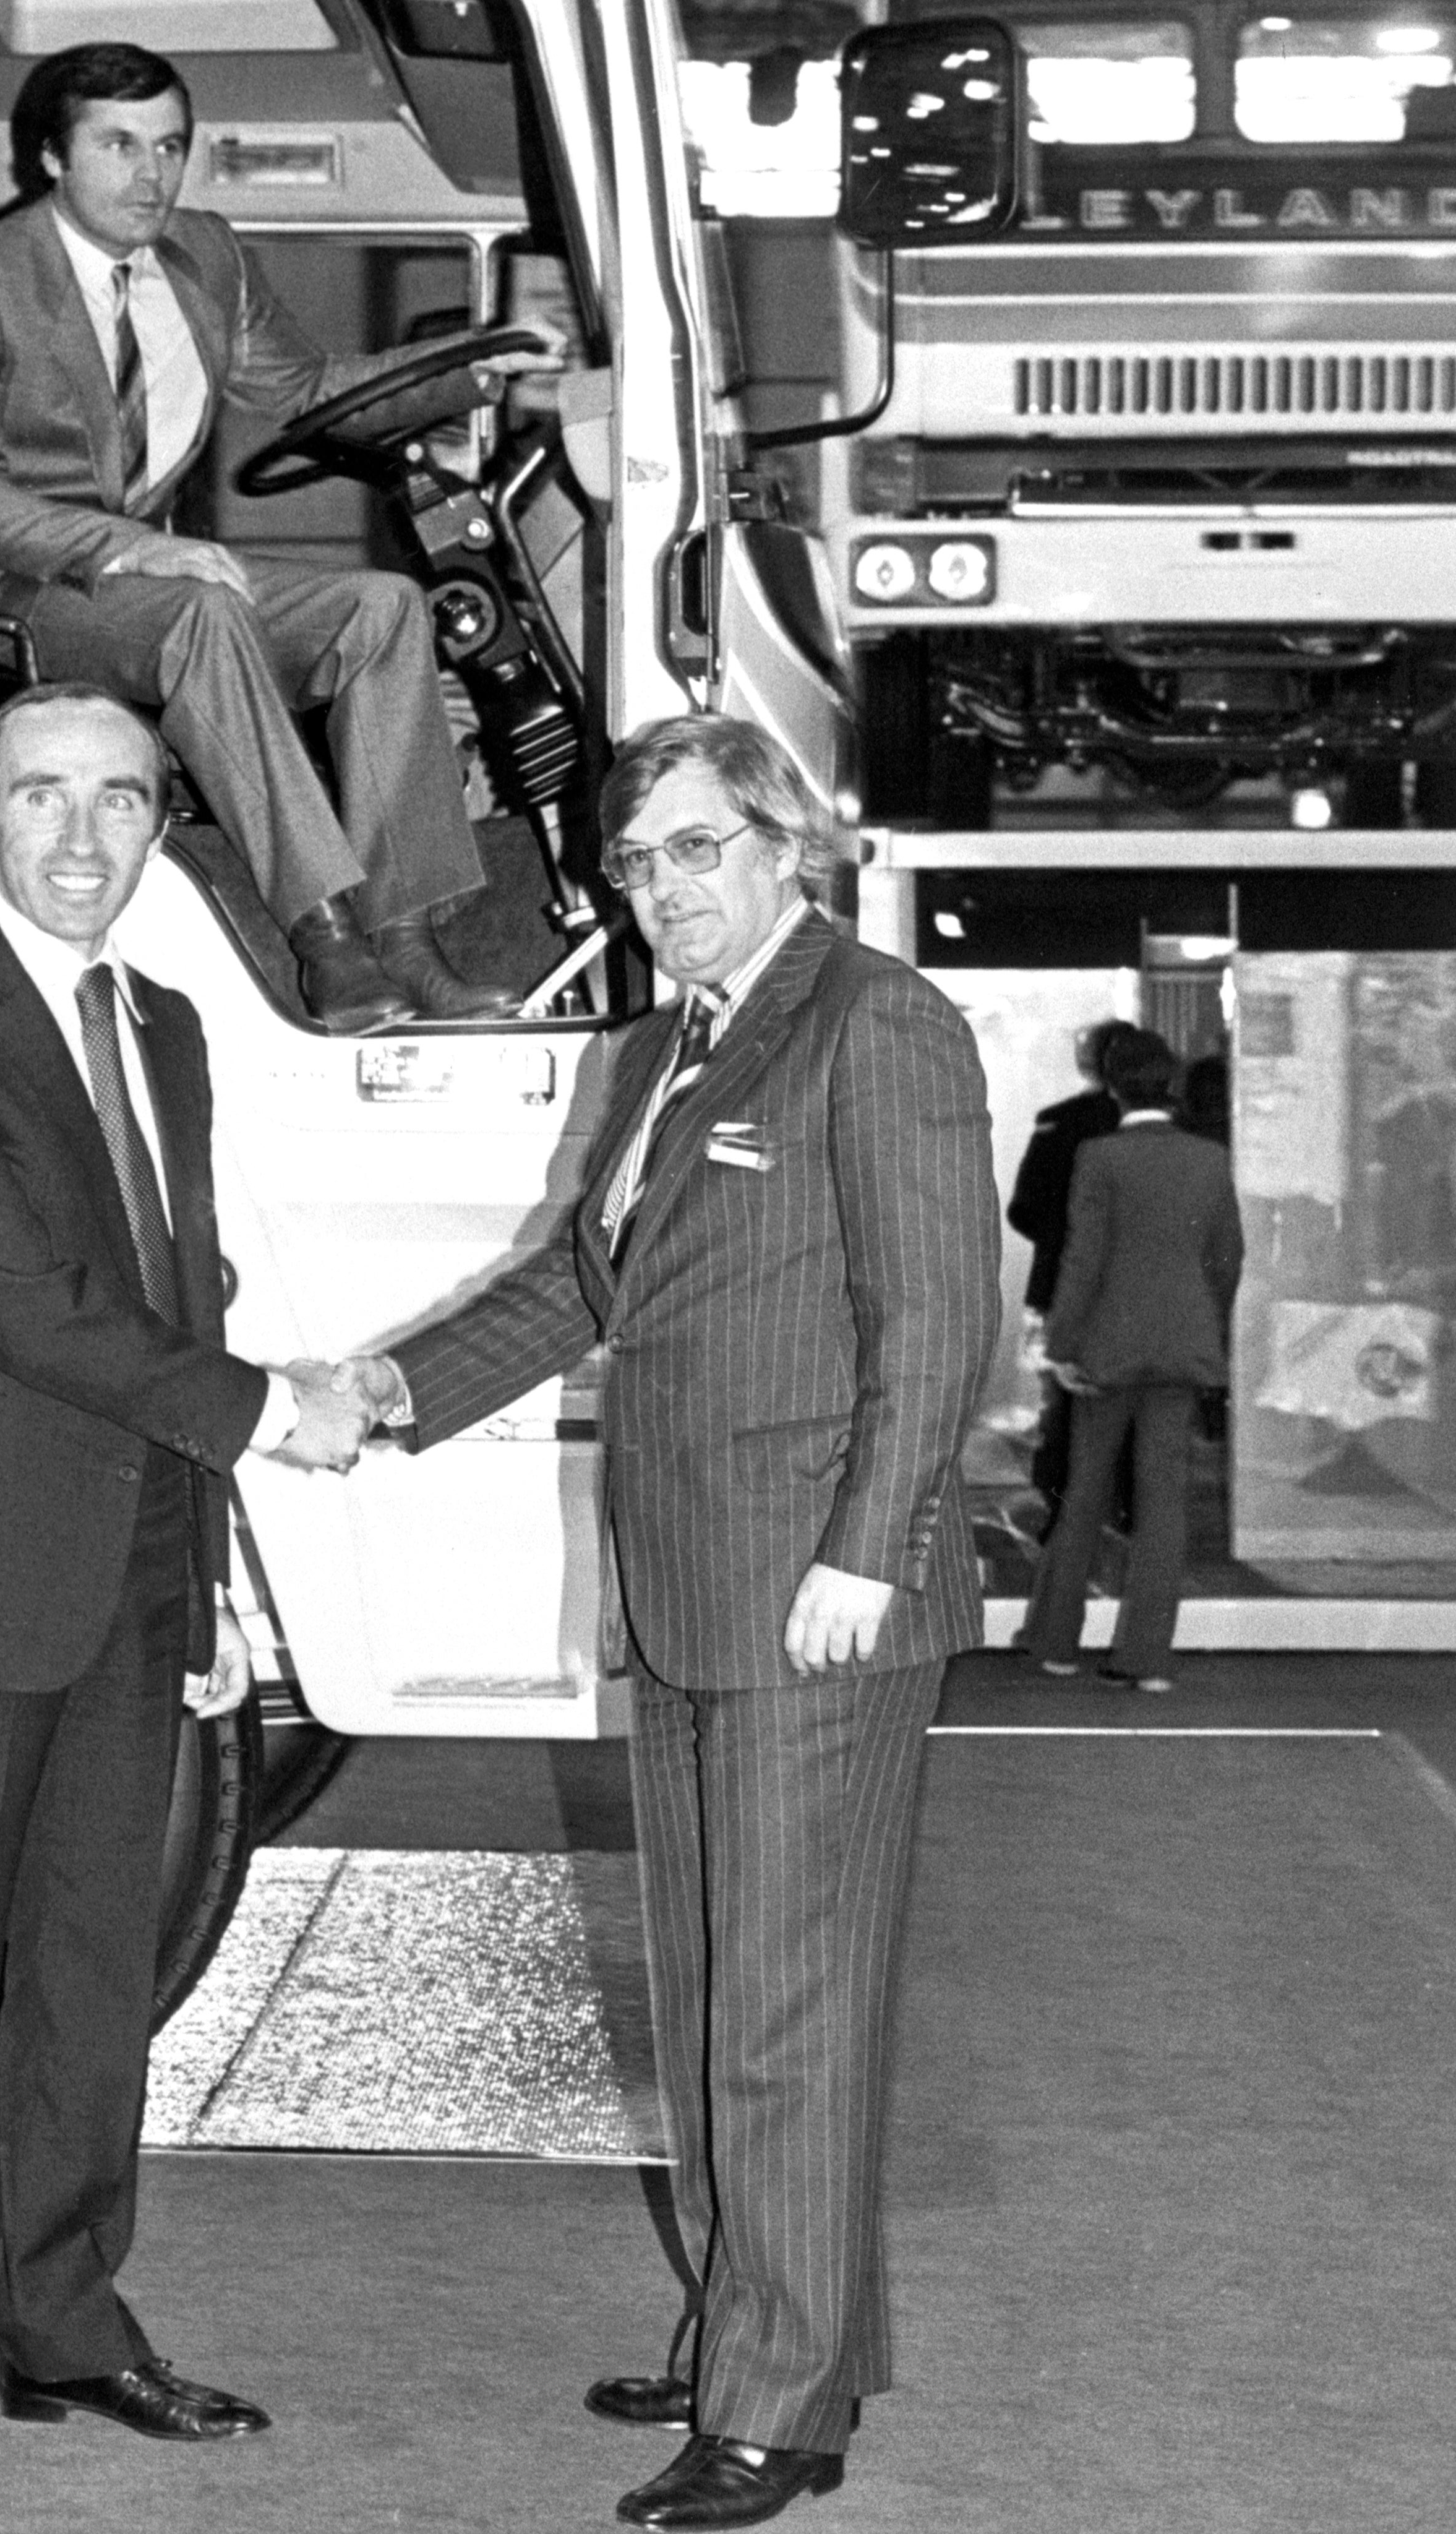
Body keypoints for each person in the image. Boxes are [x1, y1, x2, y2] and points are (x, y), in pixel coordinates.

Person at [334, 715, 1000, 2530]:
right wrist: (383, 1389)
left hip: (818, 1598)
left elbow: (938, 1316)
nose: (664, 893)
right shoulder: (661, 1055)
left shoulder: (878, 1024)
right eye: (637, 867)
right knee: (719, 1988)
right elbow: (578, 1284)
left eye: (698, 850)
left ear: (788, 845)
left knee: (788, 2002)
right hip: (698, 1582)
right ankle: (757, 2327)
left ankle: (778, 2410)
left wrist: (870, 1547)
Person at [0, 684, 369, 2512]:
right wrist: (276, 1415)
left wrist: (207, 1587)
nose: (85, 834)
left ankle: (65, 2320)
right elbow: (28, 1307)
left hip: (131, 1579)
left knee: (95, 1977)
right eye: (44, 795)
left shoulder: (170, 1027)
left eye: (123, 798)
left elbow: (169, 1298)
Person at [0, 40, 563, 1033]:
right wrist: (125, 548)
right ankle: (325, 939)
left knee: (384, 607)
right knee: (204, 608)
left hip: (152, 598)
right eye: (120, 145)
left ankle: (407, 940)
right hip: (17, 599)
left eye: (170, 147)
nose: (151, 174)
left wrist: (481, 366)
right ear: (53, 157)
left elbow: (305, 392)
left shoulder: (205, 256)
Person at [1019, 1027, 1244, 1695]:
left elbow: (1082, 1258)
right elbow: (1227, 1256)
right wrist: (1205, 1321)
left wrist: (1061, 1346)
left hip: (1106, 1347)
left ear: (1113, 1086)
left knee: (1085, 1486)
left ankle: (1055, 1641)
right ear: (1170, 1086)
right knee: (1162, 1500)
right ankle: (1146, 1659)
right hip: (1180, 1342)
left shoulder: (1099, 1155)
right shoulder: (1207, 1159)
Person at [1006, 1019, 1138, 1533]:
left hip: (1059, 1286)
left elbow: (1022, 1210)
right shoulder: (1149, 1125)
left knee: (1059, 1401)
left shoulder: (1056, 1122)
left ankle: (1061, 1513)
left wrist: (1060, 1244)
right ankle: (1128, 1508)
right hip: (1127, 1287)